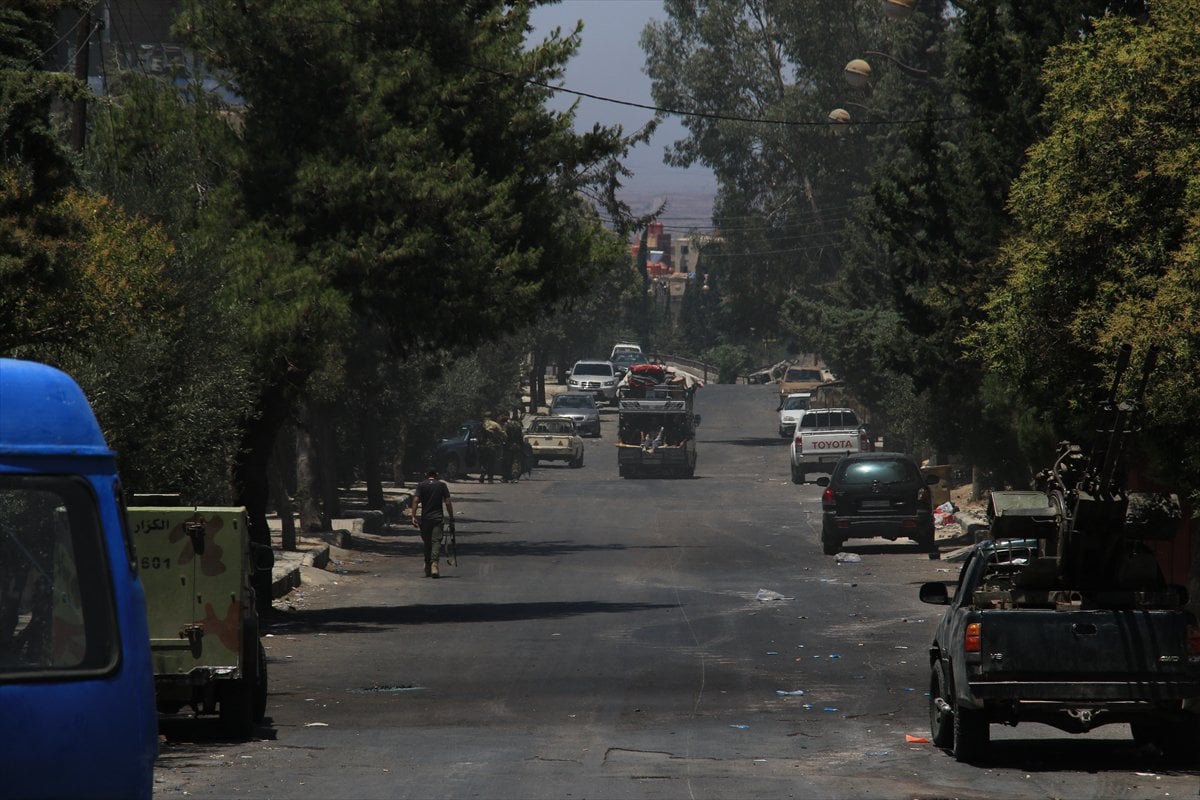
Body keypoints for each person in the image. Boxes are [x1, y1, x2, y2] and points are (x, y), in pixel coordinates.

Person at [410, 467, 454, 578]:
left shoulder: (421, 485)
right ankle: (434, 564)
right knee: (436, 542)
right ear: (436, 475)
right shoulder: (441, 485)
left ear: (426, 474)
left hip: (425, 519)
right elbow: (448, 502)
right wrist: (451, 516)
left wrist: (413, 515)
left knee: (427, 542)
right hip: (437, 518)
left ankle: (427, 566)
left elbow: (415, 500)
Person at [479, 411, 504, 483]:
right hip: (492, 446)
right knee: (491, 462)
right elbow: (502, 433)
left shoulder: (481, 424)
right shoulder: (495, 424)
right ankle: (490, 478)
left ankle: (482, 473)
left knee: (483, 461)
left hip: (482, 446)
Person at [500, 411, 524, 483]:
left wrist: (503, 442)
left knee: (507, 461)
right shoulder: (518, 425)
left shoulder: (507, 425)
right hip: (517, 445)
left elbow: (504, 435)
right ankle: (515, 477)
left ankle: (505, 477)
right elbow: (521, 436)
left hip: (508, 446)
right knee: (515, 461)